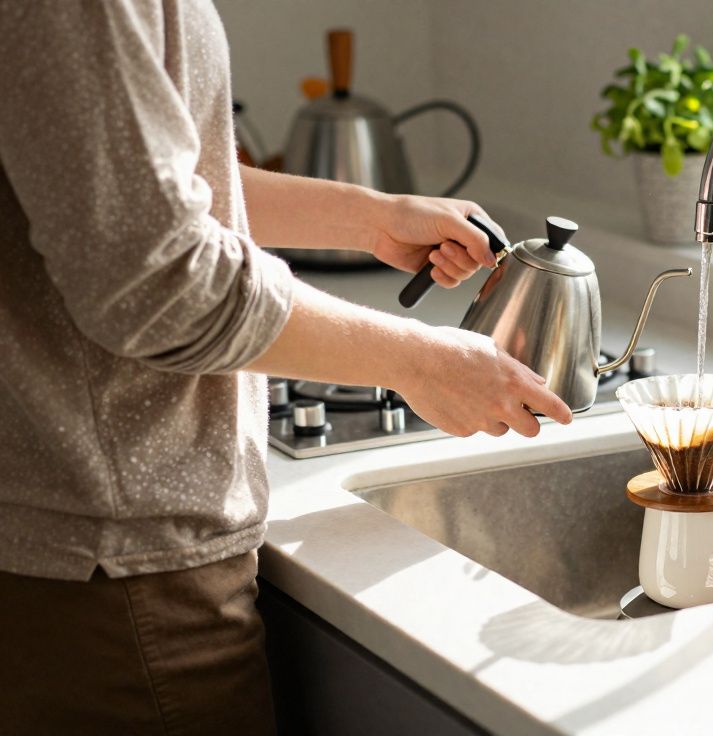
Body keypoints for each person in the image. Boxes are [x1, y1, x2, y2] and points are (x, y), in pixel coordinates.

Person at [0, 2, 572, 732]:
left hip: (94, 558)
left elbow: (145, 192)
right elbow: (161, 280)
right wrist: (413, 359)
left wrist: (371, 216)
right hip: (115, 571)